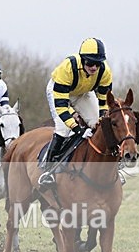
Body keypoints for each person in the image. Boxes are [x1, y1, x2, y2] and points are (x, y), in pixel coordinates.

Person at [38, 37, 113, 186]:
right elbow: (61, 107)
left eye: (97, 63)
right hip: (59, 92)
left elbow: (103, 103)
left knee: (96, 125)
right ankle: (48, 169)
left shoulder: (105, 72)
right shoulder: (67, 68)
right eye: (90, 63)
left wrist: (102, 118)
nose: (94, 67)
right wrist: (78, 129)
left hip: (83, 93)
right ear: (82, 59)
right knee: (63, 128)